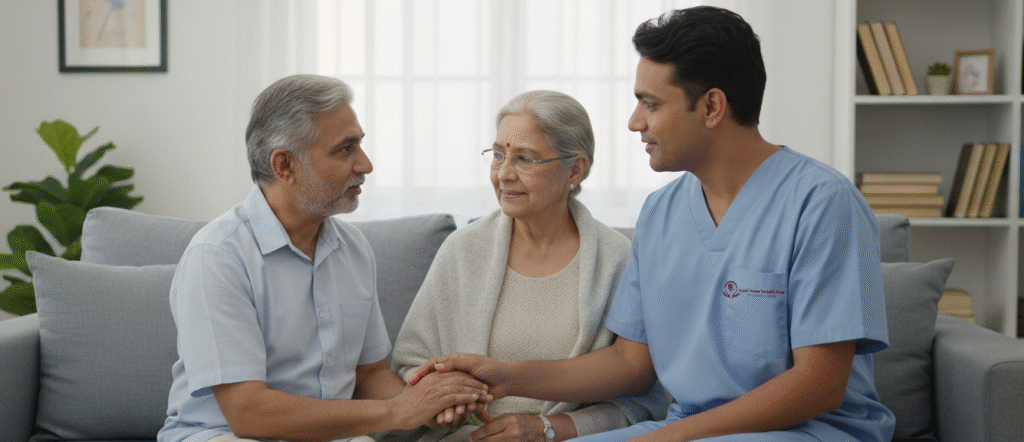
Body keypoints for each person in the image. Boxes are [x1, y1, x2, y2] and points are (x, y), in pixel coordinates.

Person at [408, 6, 896, 442]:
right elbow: (630, 365)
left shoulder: (824, 204)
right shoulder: (661, 213)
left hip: (803, 431)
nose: (634, 122)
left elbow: (819, 385)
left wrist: (674, 437)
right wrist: (506, 377)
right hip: (683, 428)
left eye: (651, 103)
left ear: (711, 107)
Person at [158, 74, 490, 442]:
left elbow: (368, 374)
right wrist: (399, 411)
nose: (365, 165)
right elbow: (247, 412)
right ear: (284, 166)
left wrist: (432, 408)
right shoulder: (217, 257)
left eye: (359, 146)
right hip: (224, 436)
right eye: (345, 150)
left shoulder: (353, 248)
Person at [383, 90, 669, 442]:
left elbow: (645, 398)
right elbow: (412, 364)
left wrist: (552, 429)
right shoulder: (463, 249)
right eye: (498, 155)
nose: (504, 174)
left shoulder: (618, 260)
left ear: (575, 169)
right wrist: (445, 399)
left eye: (524, 159)